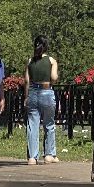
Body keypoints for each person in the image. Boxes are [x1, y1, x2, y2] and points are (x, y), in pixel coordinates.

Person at [26, 34, 59, 164]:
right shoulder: (51, 61)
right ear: (46, 46)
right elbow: (54, 77)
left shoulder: (30, 61)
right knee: (49, 124)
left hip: (33, 93)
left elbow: (27, 81)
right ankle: (49, 154)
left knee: (32, 125)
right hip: (46, 91)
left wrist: (26, 97)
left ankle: (32, 157)